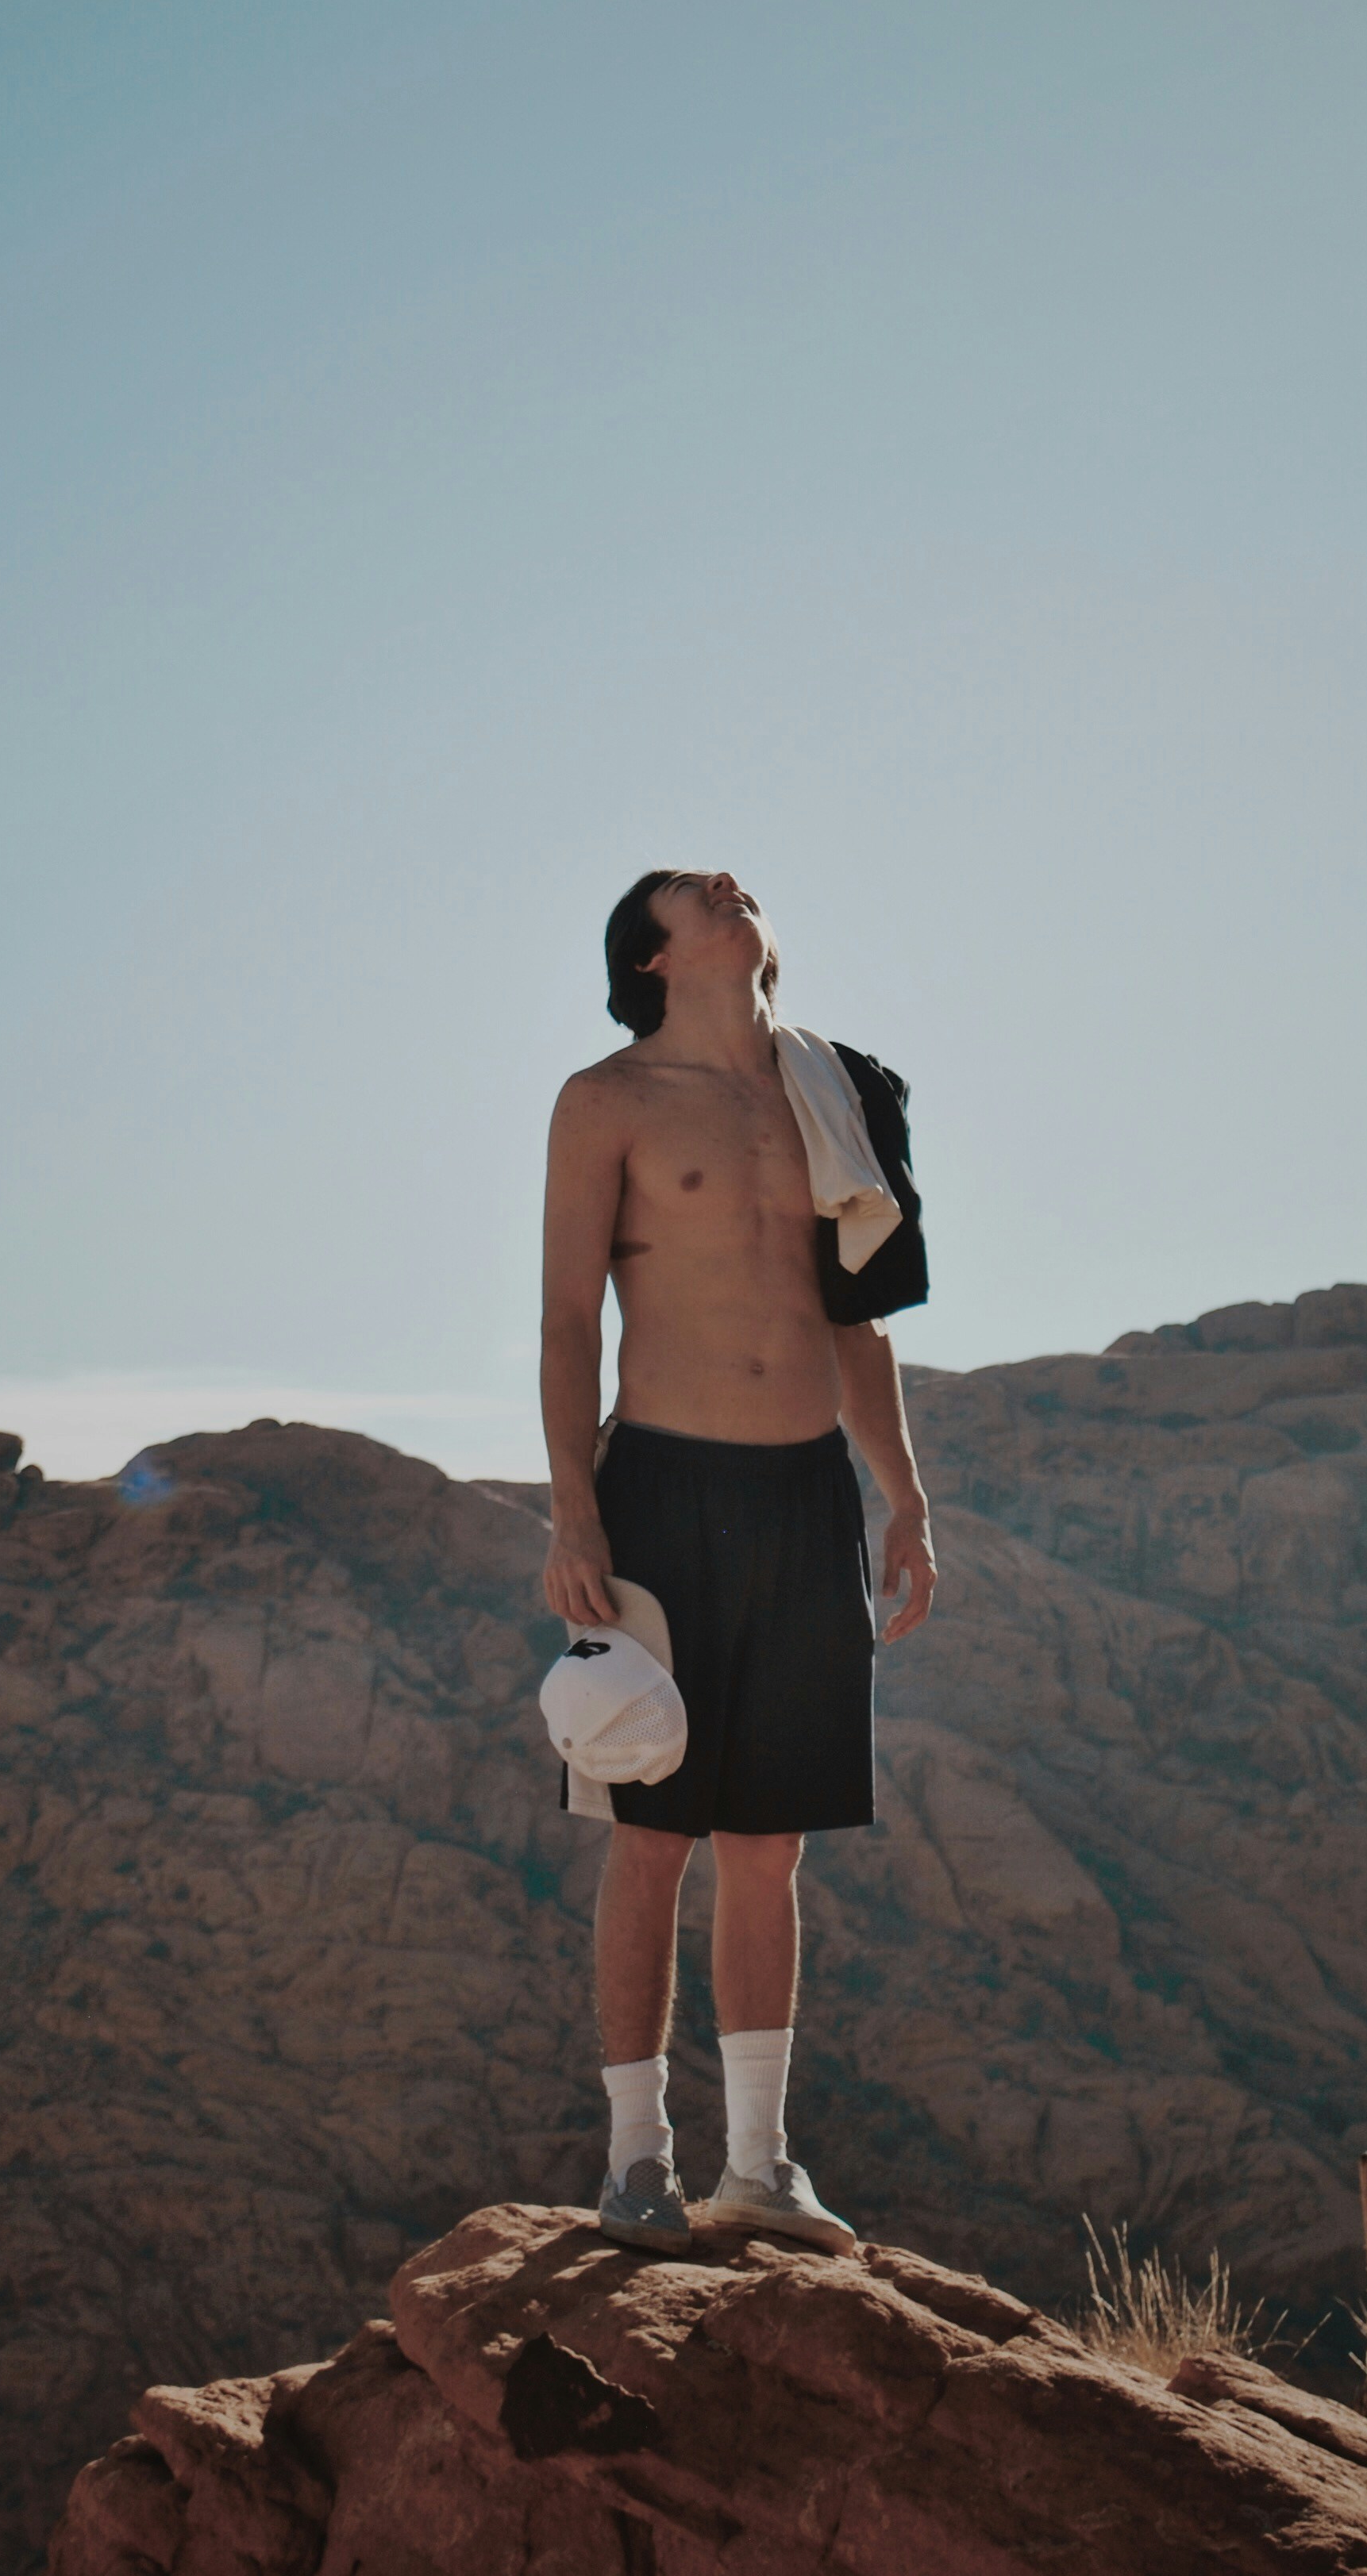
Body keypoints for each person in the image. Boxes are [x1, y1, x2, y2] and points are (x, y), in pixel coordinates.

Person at [539, 867, 936, 2254]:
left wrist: (903, 1493)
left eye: (735, 884)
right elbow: (565, 1325)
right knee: (652, 1836)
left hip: (804, 1492)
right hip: (659, 1491)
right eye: (696, 893)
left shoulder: (831, 1091)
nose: (732, 888)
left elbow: (861, 1319)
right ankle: (637, 2160)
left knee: (769, 1848)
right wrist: (574, 1513)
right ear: (652, 959)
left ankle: (760, 2166)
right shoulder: (608, 1103)